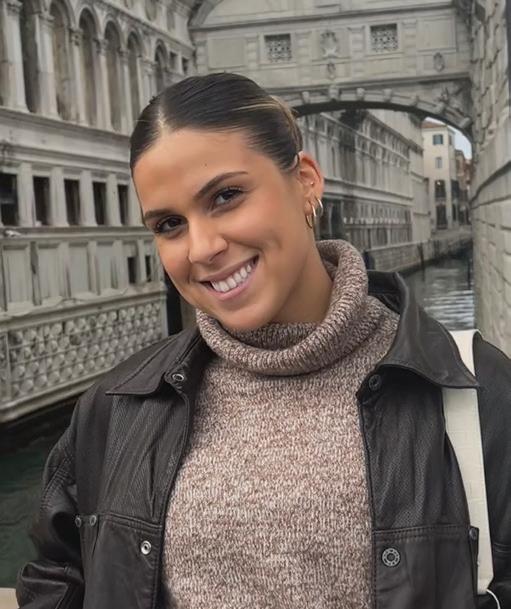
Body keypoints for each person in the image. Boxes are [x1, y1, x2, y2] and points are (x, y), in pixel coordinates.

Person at [16, 73, 511, 609]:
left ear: (305, 182)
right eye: (169, 224)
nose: (201, 248)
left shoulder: (479, 391)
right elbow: (57, 576)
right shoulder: (116, 405)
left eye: (226, 196)